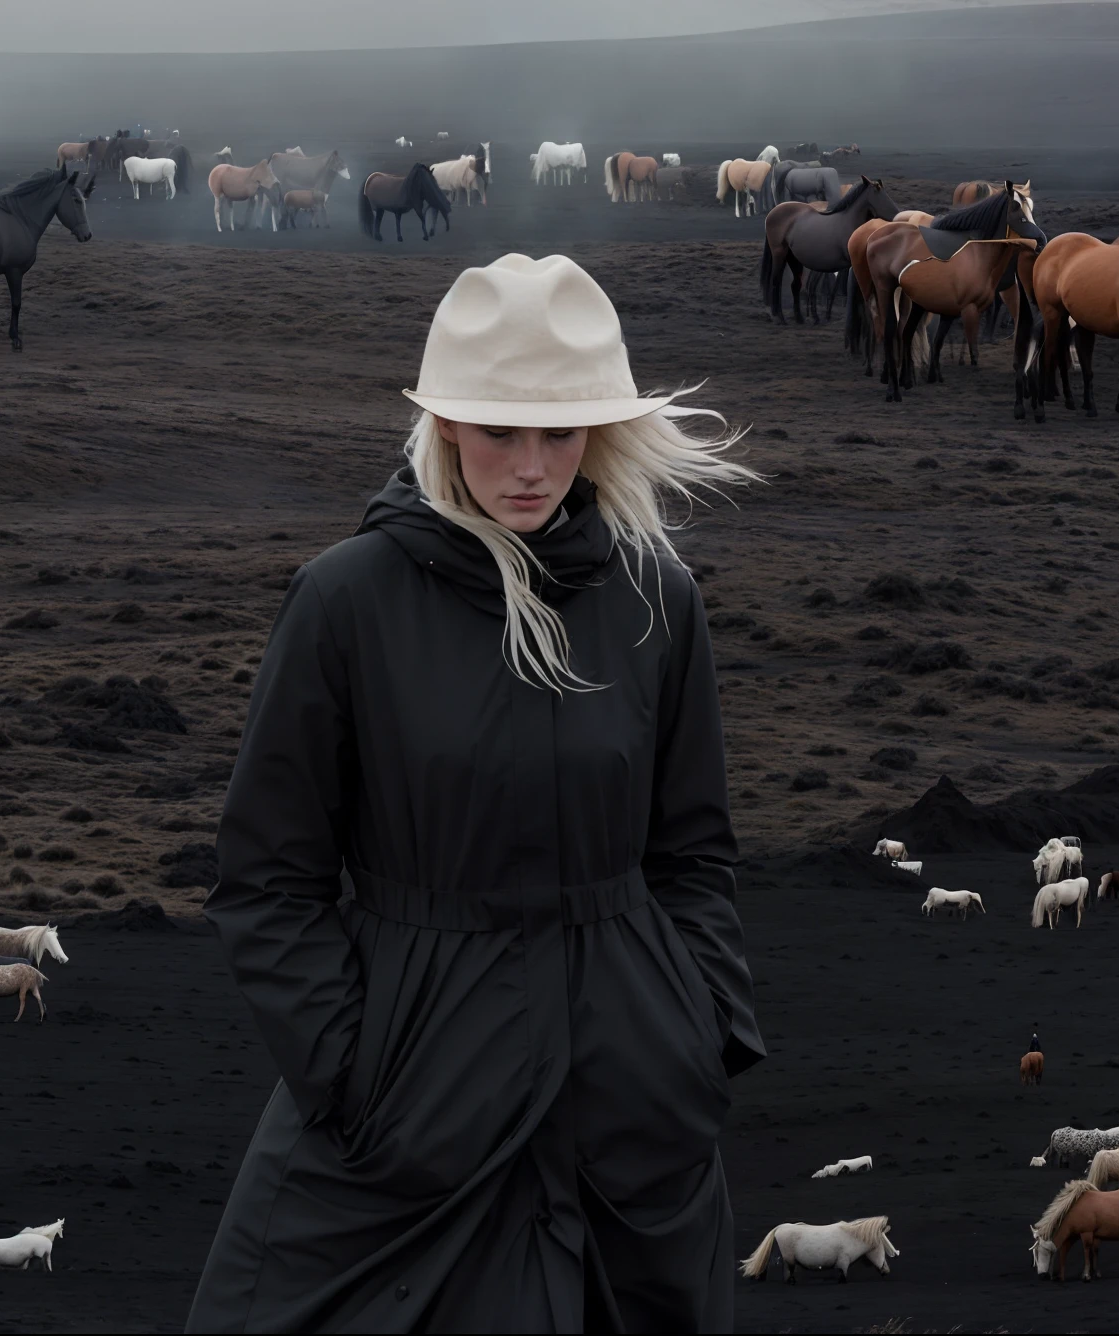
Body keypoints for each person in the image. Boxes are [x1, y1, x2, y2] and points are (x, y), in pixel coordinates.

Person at [189, 254, 765, 1334]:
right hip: (407, 1089)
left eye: (561, 431)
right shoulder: (342, 602)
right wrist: (349, 1076)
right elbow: (265, 877)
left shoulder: (658, 601)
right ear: (444, 423)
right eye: (500, 428)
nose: (531, 466)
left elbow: (692, 854)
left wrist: (697, 1033)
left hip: (628, 1091)